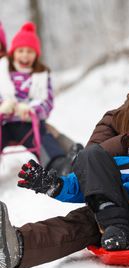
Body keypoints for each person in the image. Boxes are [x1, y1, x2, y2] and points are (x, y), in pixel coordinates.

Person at [0, 38, 129, 268]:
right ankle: (14, 247)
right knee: (84, 221)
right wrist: (123, 143)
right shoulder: (115, 120)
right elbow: (89, 165)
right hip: (118, 208)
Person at [0, 21, 77, 175]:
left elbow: (46, 103)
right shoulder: (3, 73)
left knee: (42, 136)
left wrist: (31, 109)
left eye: (29, 51)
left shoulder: (39, 76)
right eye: (20, 51)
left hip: (27, 123)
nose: (24, 55)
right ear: (14, 52)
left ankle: (59, 164)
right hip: (3, 123)